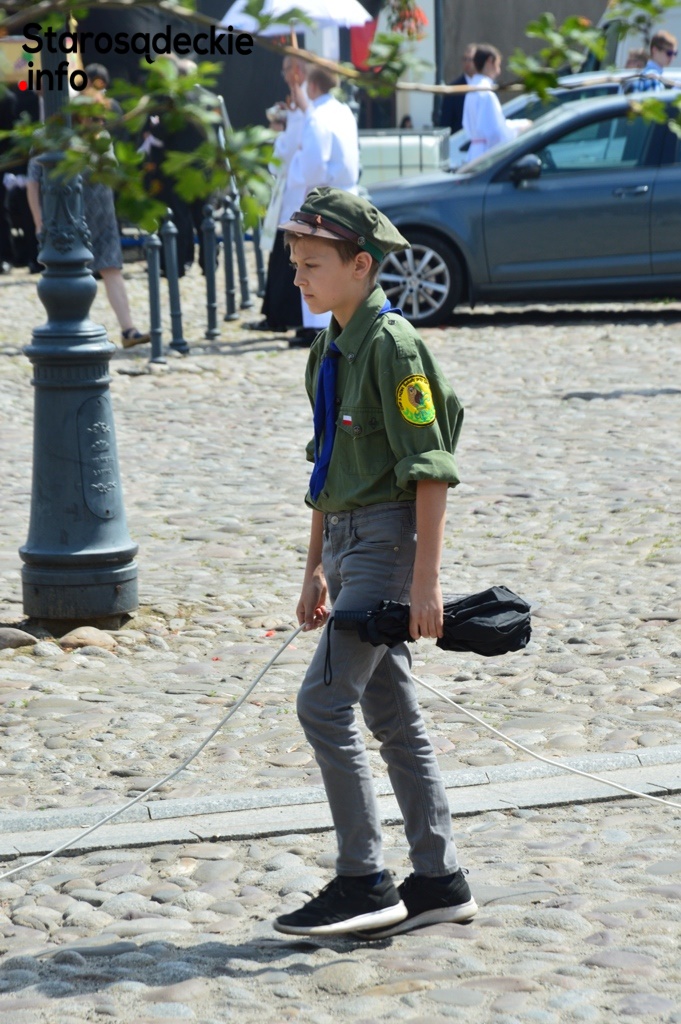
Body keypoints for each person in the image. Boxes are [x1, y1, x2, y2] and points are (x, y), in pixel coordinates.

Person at [272, 186, 477, 938]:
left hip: (388, 543)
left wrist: (425, 583)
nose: (299, 277)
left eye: (313, 264)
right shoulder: (327, 348)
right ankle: (439, 880)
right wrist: (314, 566)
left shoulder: (395, 347)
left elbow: (430, 468)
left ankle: (364, 880)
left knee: (322, 703)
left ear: (360, 265)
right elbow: (325, 464)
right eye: (295, 263)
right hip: (346, 541)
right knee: (393, 717)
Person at [26, 65, 149, 349]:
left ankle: (128, 330)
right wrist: (38, 221)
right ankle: (67, 328)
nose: (101, 121)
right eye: (95, 116)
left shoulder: (101, 137)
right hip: (66, 218)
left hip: (102, 215)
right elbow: (33, 182)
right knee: (65, 276)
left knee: (112, 269)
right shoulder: (49, 136)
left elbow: (112, 173)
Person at [286, 67, 360, 348]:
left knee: (316, 260)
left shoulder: (318, 116)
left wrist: (301, 174)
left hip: (324, 197)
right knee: (338, 260)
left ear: (313, 86)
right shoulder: (343, 110)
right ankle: (334, 320)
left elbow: (314, 165)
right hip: (345, 192)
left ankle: (318, 325)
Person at [248, 53, 310, 334]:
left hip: (296, 190)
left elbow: (288, 151)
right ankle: (276, 314)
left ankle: (283, 316)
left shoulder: (304, 105)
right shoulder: (298, 104)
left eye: (287, 69)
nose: (284, 75)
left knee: (288, 258)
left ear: (298, 71)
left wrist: (279, 134)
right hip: (290, 189)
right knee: (280, 256)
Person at [462, 44, 531, 163]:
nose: (498, 71)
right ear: (490, 61)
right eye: (498, 65)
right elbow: (497, 132)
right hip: (487, 154)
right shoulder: (486, 93)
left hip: (475, 153)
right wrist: (519, 127)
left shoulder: (472, 90)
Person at [438, 43, 477, 135]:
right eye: (465, 59)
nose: (467, 63)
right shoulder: (454, 88)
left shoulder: (486, 86)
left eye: (470, 59)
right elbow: (445, 122)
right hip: (459, 139)